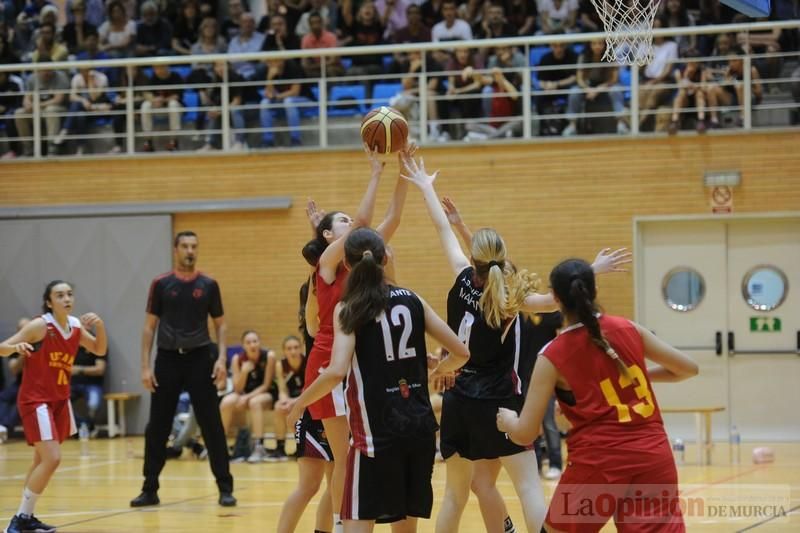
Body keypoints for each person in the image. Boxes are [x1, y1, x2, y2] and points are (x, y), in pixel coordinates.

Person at [400, 151, 630, 533]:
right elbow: (558, 295)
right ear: (503, 261)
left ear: (472, 259)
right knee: (527, 486)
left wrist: (427, 187)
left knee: (459, 494)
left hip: (458, 396)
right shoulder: (510, 298)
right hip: (498, 400)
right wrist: (593, 268)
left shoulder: (460, 277)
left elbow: (441, 228)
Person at [288, 227, 471, 533]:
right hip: (420, 431)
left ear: (346, 265)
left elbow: (335, 372)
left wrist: (299, 403)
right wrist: (434, 371)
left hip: (374, 436)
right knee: (404, 527)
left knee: (356, 524)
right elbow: (461, 353)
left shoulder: (349, 308)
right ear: (386, 258)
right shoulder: (412, 299)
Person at [497, 258, 699, 531]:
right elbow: (688, 369)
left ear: (554, 298)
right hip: (653, 456)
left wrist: (507, 420)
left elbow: (525, 433)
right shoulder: (629, 328)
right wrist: (626, 377)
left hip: (599, 463)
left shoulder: (553, 354)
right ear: (594, 291)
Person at [299, 148, 411, 533]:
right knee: (345, 458)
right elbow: (363, 222)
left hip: (361, 365)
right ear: (329, 236)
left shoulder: (360, 259)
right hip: (331, 362)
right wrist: (376, 172)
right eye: (341, 221)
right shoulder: (326, 266)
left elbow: (393, 217)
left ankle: (332, 526)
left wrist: (404, 172)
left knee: (352, 455)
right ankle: (344, 524)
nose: (353, 222)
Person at [131, 230, 236, 508]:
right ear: (175, 249)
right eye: (185, 246)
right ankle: (149, 488)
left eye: (194, 246)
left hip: (200, 358)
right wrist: (144, 366)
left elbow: (221, 324)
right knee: (158, 426)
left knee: (212, 424)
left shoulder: (209, 284)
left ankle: (225, 488)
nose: (190, 250)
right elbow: (148, 327)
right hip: (167, 359)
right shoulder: (161, 284)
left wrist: (222, 358)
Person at [1, 281, 107, 533]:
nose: (66, 298)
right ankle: (18, 521)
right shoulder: (40, 325)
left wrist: (100, 326)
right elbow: (2, 348)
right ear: (49, 302)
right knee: (52, 459)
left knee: (41, 460)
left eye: (70, 294)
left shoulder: (76, 327)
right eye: (59, 295)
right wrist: (16, 348)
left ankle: (26, 517)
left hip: (59, 400)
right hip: (36, 400)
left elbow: (99, 349)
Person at [276, 282, 334, 533]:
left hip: (339, 409)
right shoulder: (315, 326)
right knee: (309, 485)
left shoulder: (338, 321)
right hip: (314, 409)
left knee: (336, 484)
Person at [220, 330, 277, 463]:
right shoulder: (237, 359)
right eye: (248, 342)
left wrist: (247, 397)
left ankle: (259, 447)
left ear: (259, 343)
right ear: (243, 346)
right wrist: (244, 371)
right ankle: (220, 445)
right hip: (244, 395)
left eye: (255, 341)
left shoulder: (269, 356)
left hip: (264, 395)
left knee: (254, 402)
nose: (252, 345)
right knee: (226, 401)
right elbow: (237, 388)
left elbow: (266, 385)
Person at [269, 334, 306, 461]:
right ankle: (280, 448)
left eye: (296, 347)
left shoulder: (308, 362)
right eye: (289, 348)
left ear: (301, 348)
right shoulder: (280, 365)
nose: (293, 351)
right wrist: (284, 400)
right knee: (279, 407)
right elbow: (282, 388)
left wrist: (295, 402)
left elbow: (310, 390)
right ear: (284, 351)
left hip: (307, 399)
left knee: (299, 411)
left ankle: (301, 447)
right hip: (291, 399)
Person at [0, 318, 29, 438]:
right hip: (19, 382)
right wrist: (22, 353)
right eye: (21, 329)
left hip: (35, 385)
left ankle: (6, 426)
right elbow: (13, 369)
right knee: (3, 397)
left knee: (21, 401)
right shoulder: (15, 346)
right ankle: (0, 425)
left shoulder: (41, 345)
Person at [70, 345, 107, 435]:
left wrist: (79, 370)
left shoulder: (97, 343)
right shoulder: (70, 344)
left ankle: (87, 425)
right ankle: (84, 423)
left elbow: (100, 369)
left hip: (92, 385)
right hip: (72, 385)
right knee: (59, 403)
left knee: (93, 404)